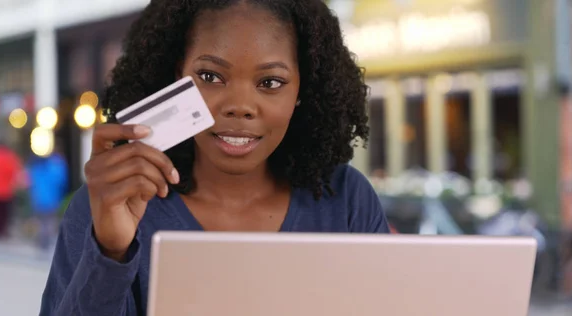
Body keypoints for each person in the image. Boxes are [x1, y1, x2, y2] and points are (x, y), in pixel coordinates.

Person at [40, 1, 390, 315]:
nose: (238, 105)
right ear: (178, 75)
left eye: (270, 82)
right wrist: (110, 252)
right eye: (210, 76)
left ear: (303, 89)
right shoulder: (107, 206)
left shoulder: (346, 200)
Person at [27, 149, 68, 249]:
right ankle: (45, 240)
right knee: (49, 221)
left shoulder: (37, 169)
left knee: (41, 221)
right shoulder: (56, 168)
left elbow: (31, 183)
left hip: (38, 199)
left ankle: (42, 240)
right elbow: (62, 182)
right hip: (52, 200)